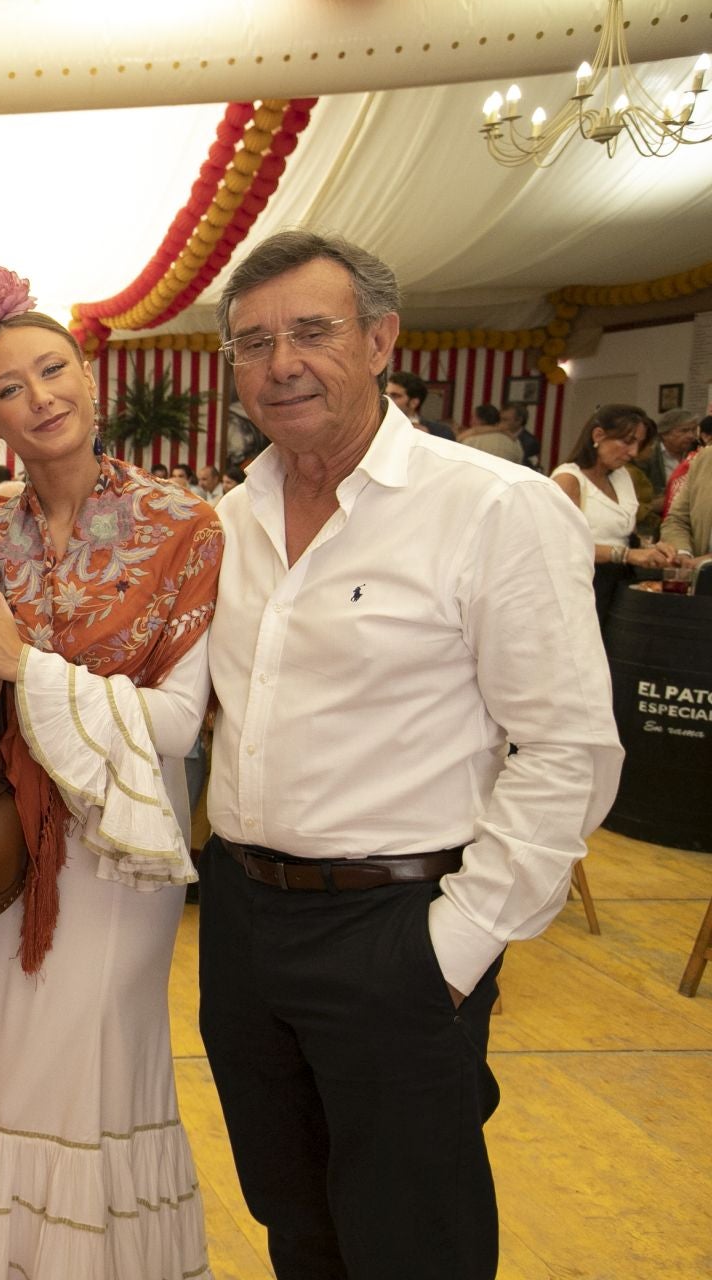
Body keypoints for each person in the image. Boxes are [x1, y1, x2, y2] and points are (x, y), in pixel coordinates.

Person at [200, 229, 621, 1280]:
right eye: (253, 343)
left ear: (382, 338)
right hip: (244, 923)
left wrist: (459, 944)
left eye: (311, 330)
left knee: (410, 1236)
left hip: (396, 925)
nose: (281, 362)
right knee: (293, 1218)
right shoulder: (226, 523)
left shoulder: (490, 507)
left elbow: (567, 745)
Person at [0, 272, 219, 1280]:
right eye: (10, 387)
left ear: (90, 377)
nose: (40, 396)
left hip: (118, 846)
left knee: (89, 1062)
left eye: (53, 370)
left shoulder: (183, 525)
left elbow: (178, 721)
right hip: (2, 837)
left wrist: (25, 664)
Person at [551, 404, 679, 619]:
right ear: (598, 435)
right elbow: (561, 546)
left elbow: (623, 532)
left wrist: (653, 549)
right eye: (627, 442)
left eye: (639, 444)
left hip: (618, 583)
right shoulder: (568, 480)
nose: (633, 452)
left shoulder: (622, 476)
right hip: (580, 585)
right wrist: (627, 555)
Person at [659, 416, 712, 562]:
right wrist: (682, 553)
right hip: (701, 578)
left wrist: (706, 561)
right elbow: (677, 519)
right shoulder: (705, 458)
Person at [386, 368, 454, 439]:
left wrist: (427, 439)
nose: (387, 399)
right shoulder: (377, 428)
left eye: (395, 396)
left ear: (414, 403)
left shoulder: (441, 432)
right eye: (385, 394)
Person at [460, 403, 524, 464]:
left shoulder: (471, 440)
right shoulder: (515, 442)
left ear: (480, 420)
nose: (470, 422)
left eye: (472, 417)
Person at [499, 401, 541, 471]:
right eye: (500, 419)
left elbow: (529, 467)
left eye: (505, 420)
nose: (500, 423)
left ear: (519, 421)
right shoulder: (499, 435)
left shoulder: (530, 442)